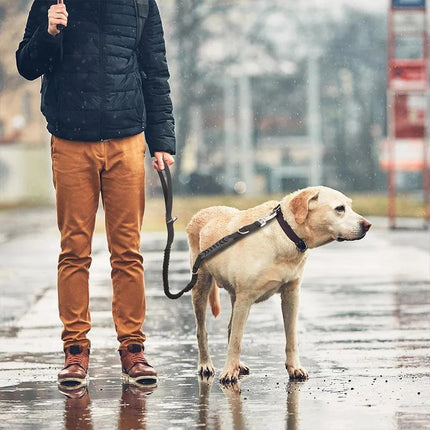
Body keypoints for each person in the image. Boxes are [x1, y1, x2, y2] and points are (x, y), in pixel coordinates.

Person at [16, 0, 175, 388]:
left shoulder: (141, 4)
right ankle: (75, 352)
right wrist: (50, 33)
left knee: (128, 250)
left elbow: (154, 72)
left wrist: (162, 140)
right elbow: (27, 65)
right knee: (74, 249)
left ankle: (133, 350)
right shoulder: (53, 2)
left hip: (126, 139)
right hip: (70, 140)